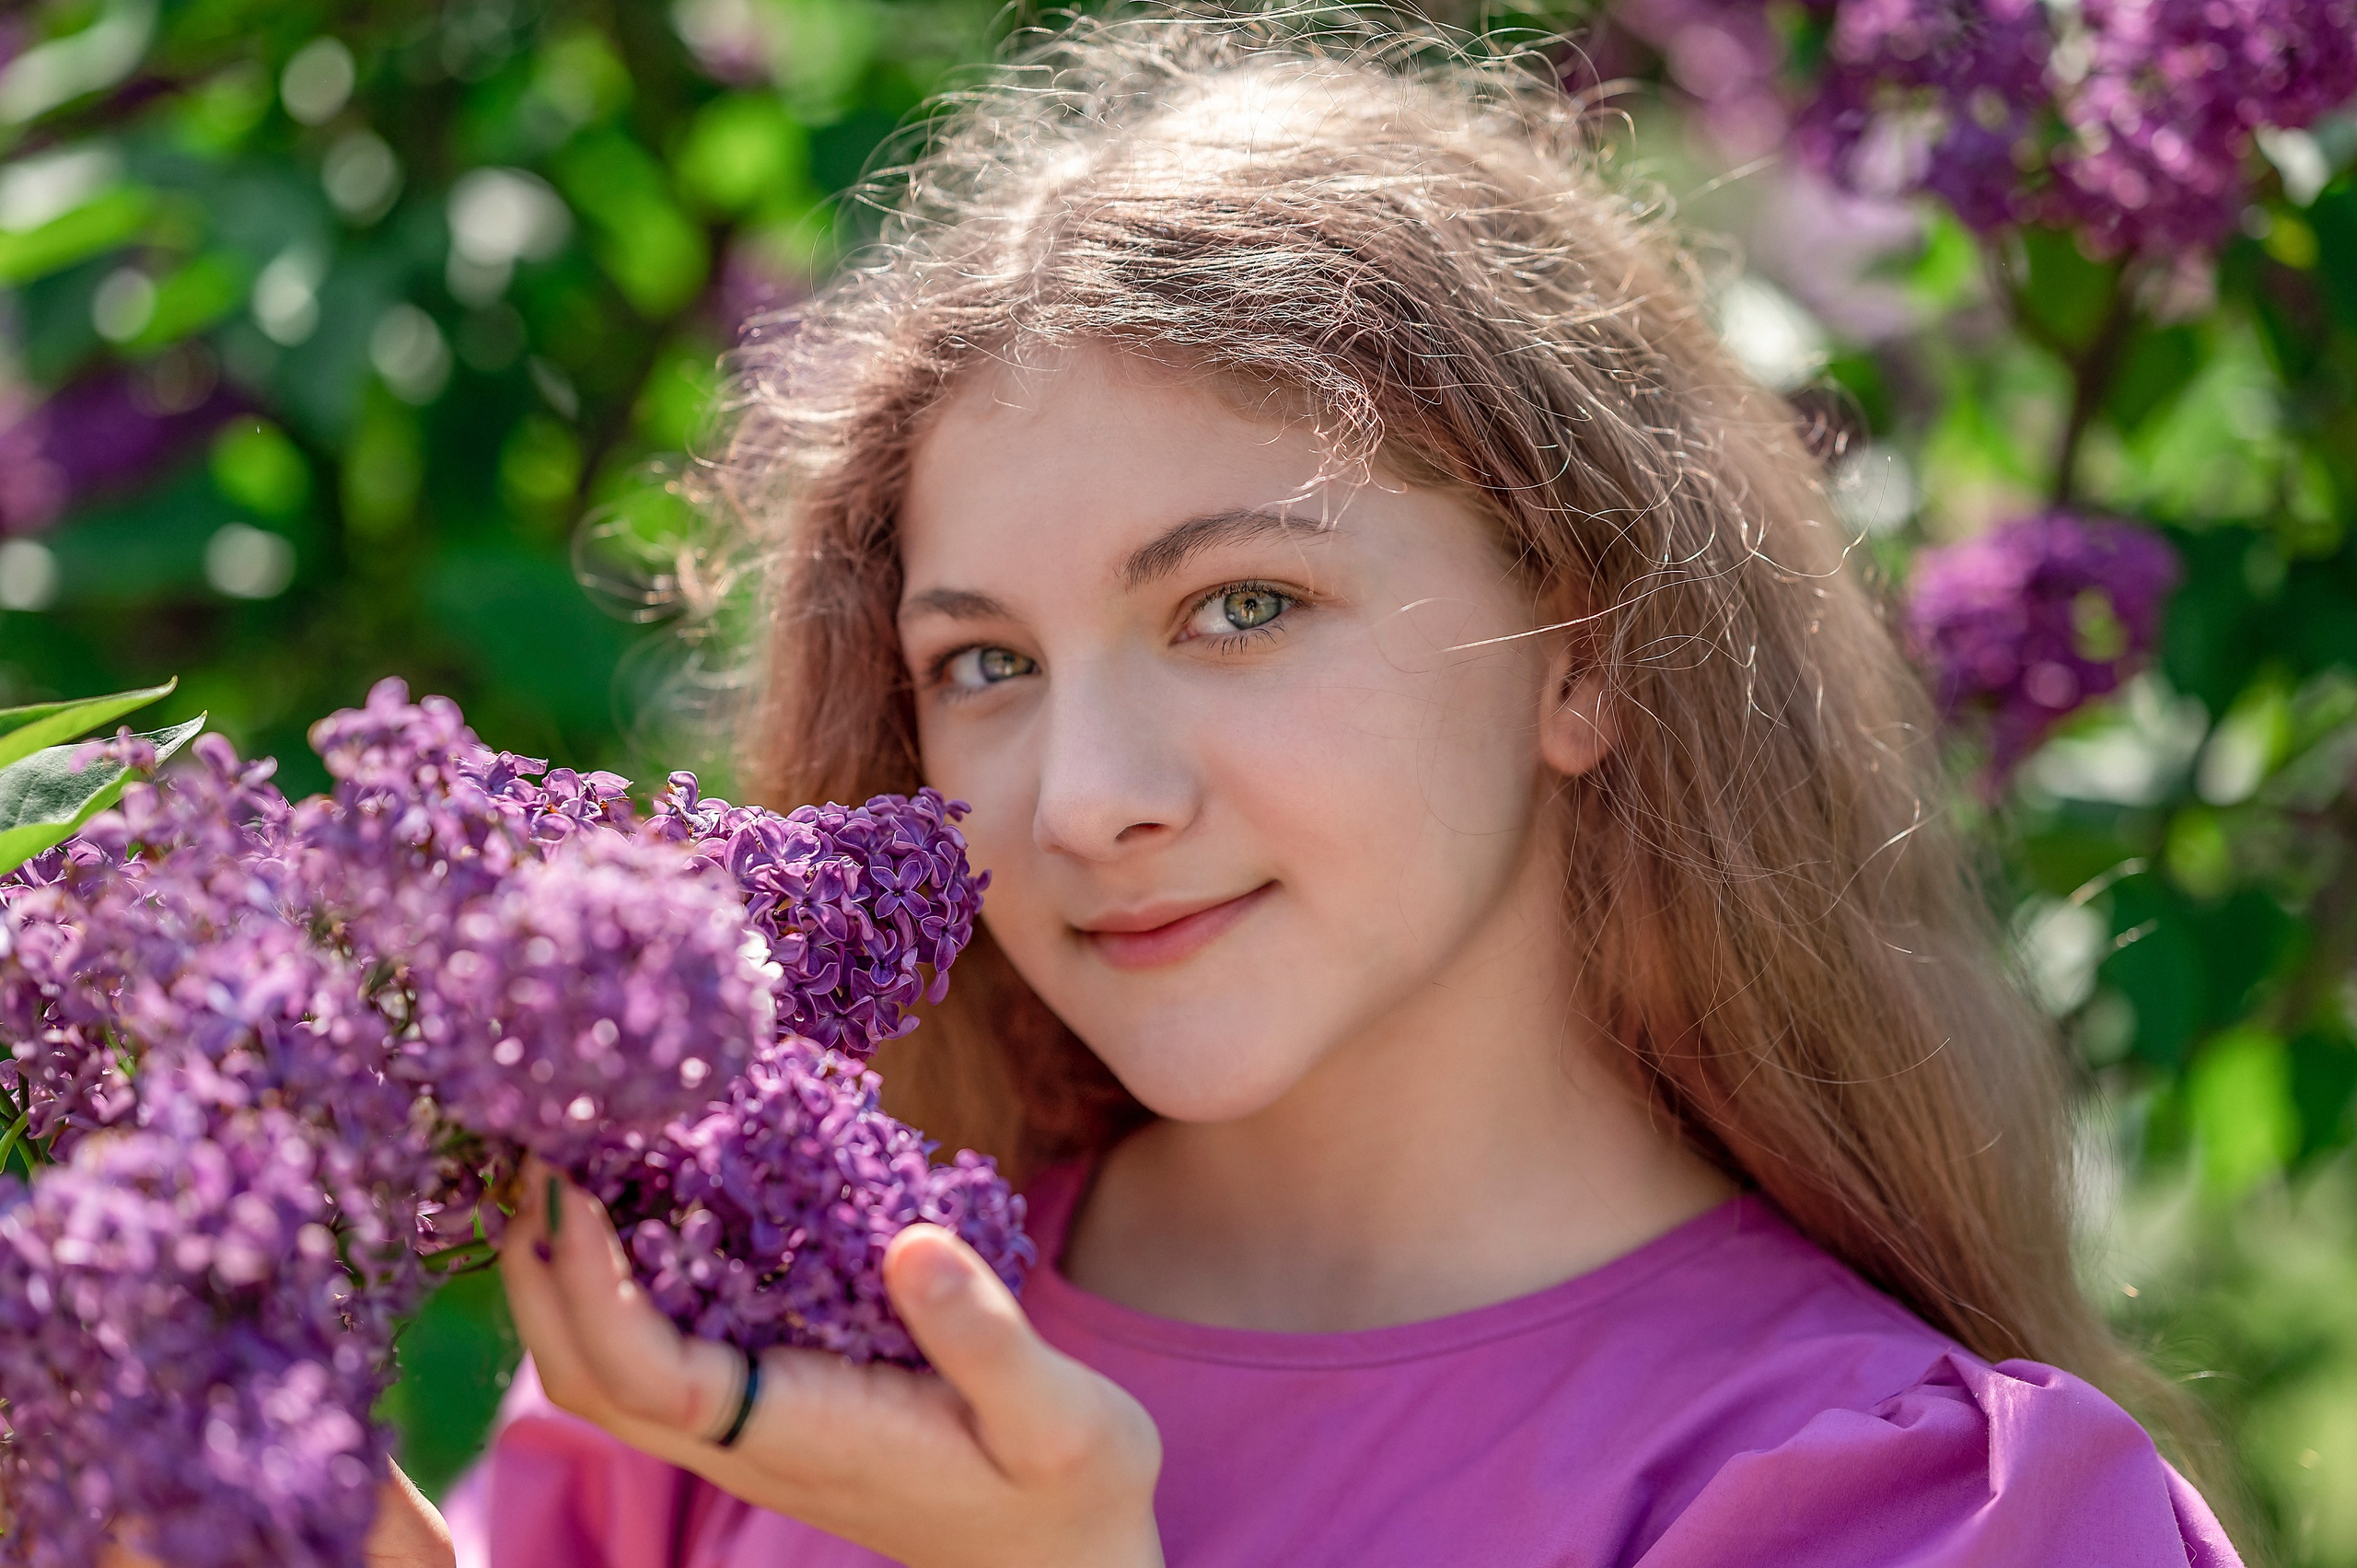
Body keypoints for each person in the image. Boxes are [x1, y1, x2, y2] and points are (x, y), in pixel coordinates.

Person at [410, 10, 2242, 1565]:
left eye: (1236, 607)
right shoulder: (777, 1297)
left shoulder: (1924, 1506)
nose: (1081, 799)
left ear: (1581, 646)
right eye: (983, 664)